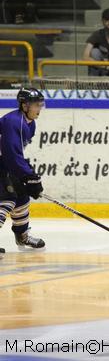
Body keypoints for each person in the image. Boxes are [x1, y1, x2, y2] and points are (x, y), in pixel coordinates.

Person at [0, 88, 46, 259]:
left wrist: (28, 177)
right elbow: (11, 153)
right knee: (6, 200)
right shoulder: (14, 122)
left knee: (21, 196)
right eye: (36, 104)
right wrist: (28, 175)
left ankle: (22, 236)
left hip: (5, 163)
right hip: (3, 162)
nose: (39, 108)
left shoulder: (30, 123)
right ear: (25, 106)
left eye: (41, 104)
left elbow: (15, 154)